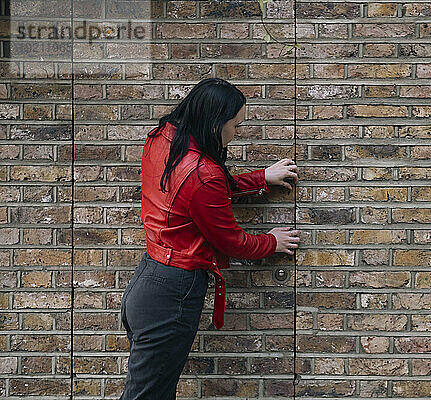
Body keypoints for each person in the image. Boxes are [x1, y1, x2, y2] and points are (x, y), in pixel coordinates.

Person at [119, 78, 300, 399]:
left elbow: (197, 193)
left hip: (148, 282)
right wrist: (272, 242)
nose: (235, 134)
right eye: (234, 126)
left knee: (152, 391)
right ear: (215, 123)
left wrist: (261, 178)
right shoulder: (204, 174)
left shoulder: (162, 139)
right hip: (173, 294)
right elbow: (231, 241)